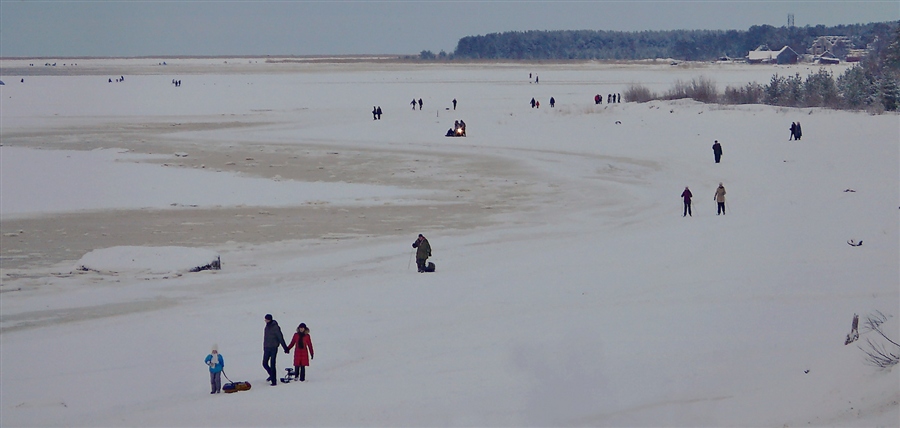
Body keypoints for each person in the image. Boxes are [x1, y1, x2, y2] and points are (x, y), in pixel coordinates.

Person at [262, 314, 288, 386]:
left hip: (273, 348)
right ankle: (272, 375)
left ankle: (274, 381)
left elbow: (280, 338)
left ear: (270, 319)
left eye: (266, 319)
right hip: (267, 348)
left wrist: (285, 348)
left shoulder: (275, 327)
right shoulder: (266, 327)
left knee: (272, 364)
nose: (265, 321)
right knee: (264, 363)